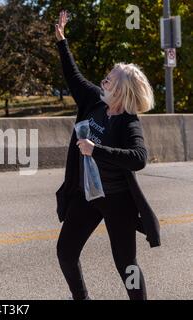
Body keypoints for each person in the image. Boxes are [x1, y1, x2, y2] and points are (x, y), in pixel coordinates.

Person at [54, 11, 160, 300]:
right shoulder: (95, 102)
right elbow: (74, 78)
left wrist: (95, 149)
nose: (103, 81)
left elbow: (139, 157)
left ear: (121, 90)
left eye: (109, 80)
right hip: (87, 194)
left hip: (117, 200)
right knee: (65, 252)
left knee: (126, 266)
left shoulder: (129, 121)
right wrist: (62, 42)